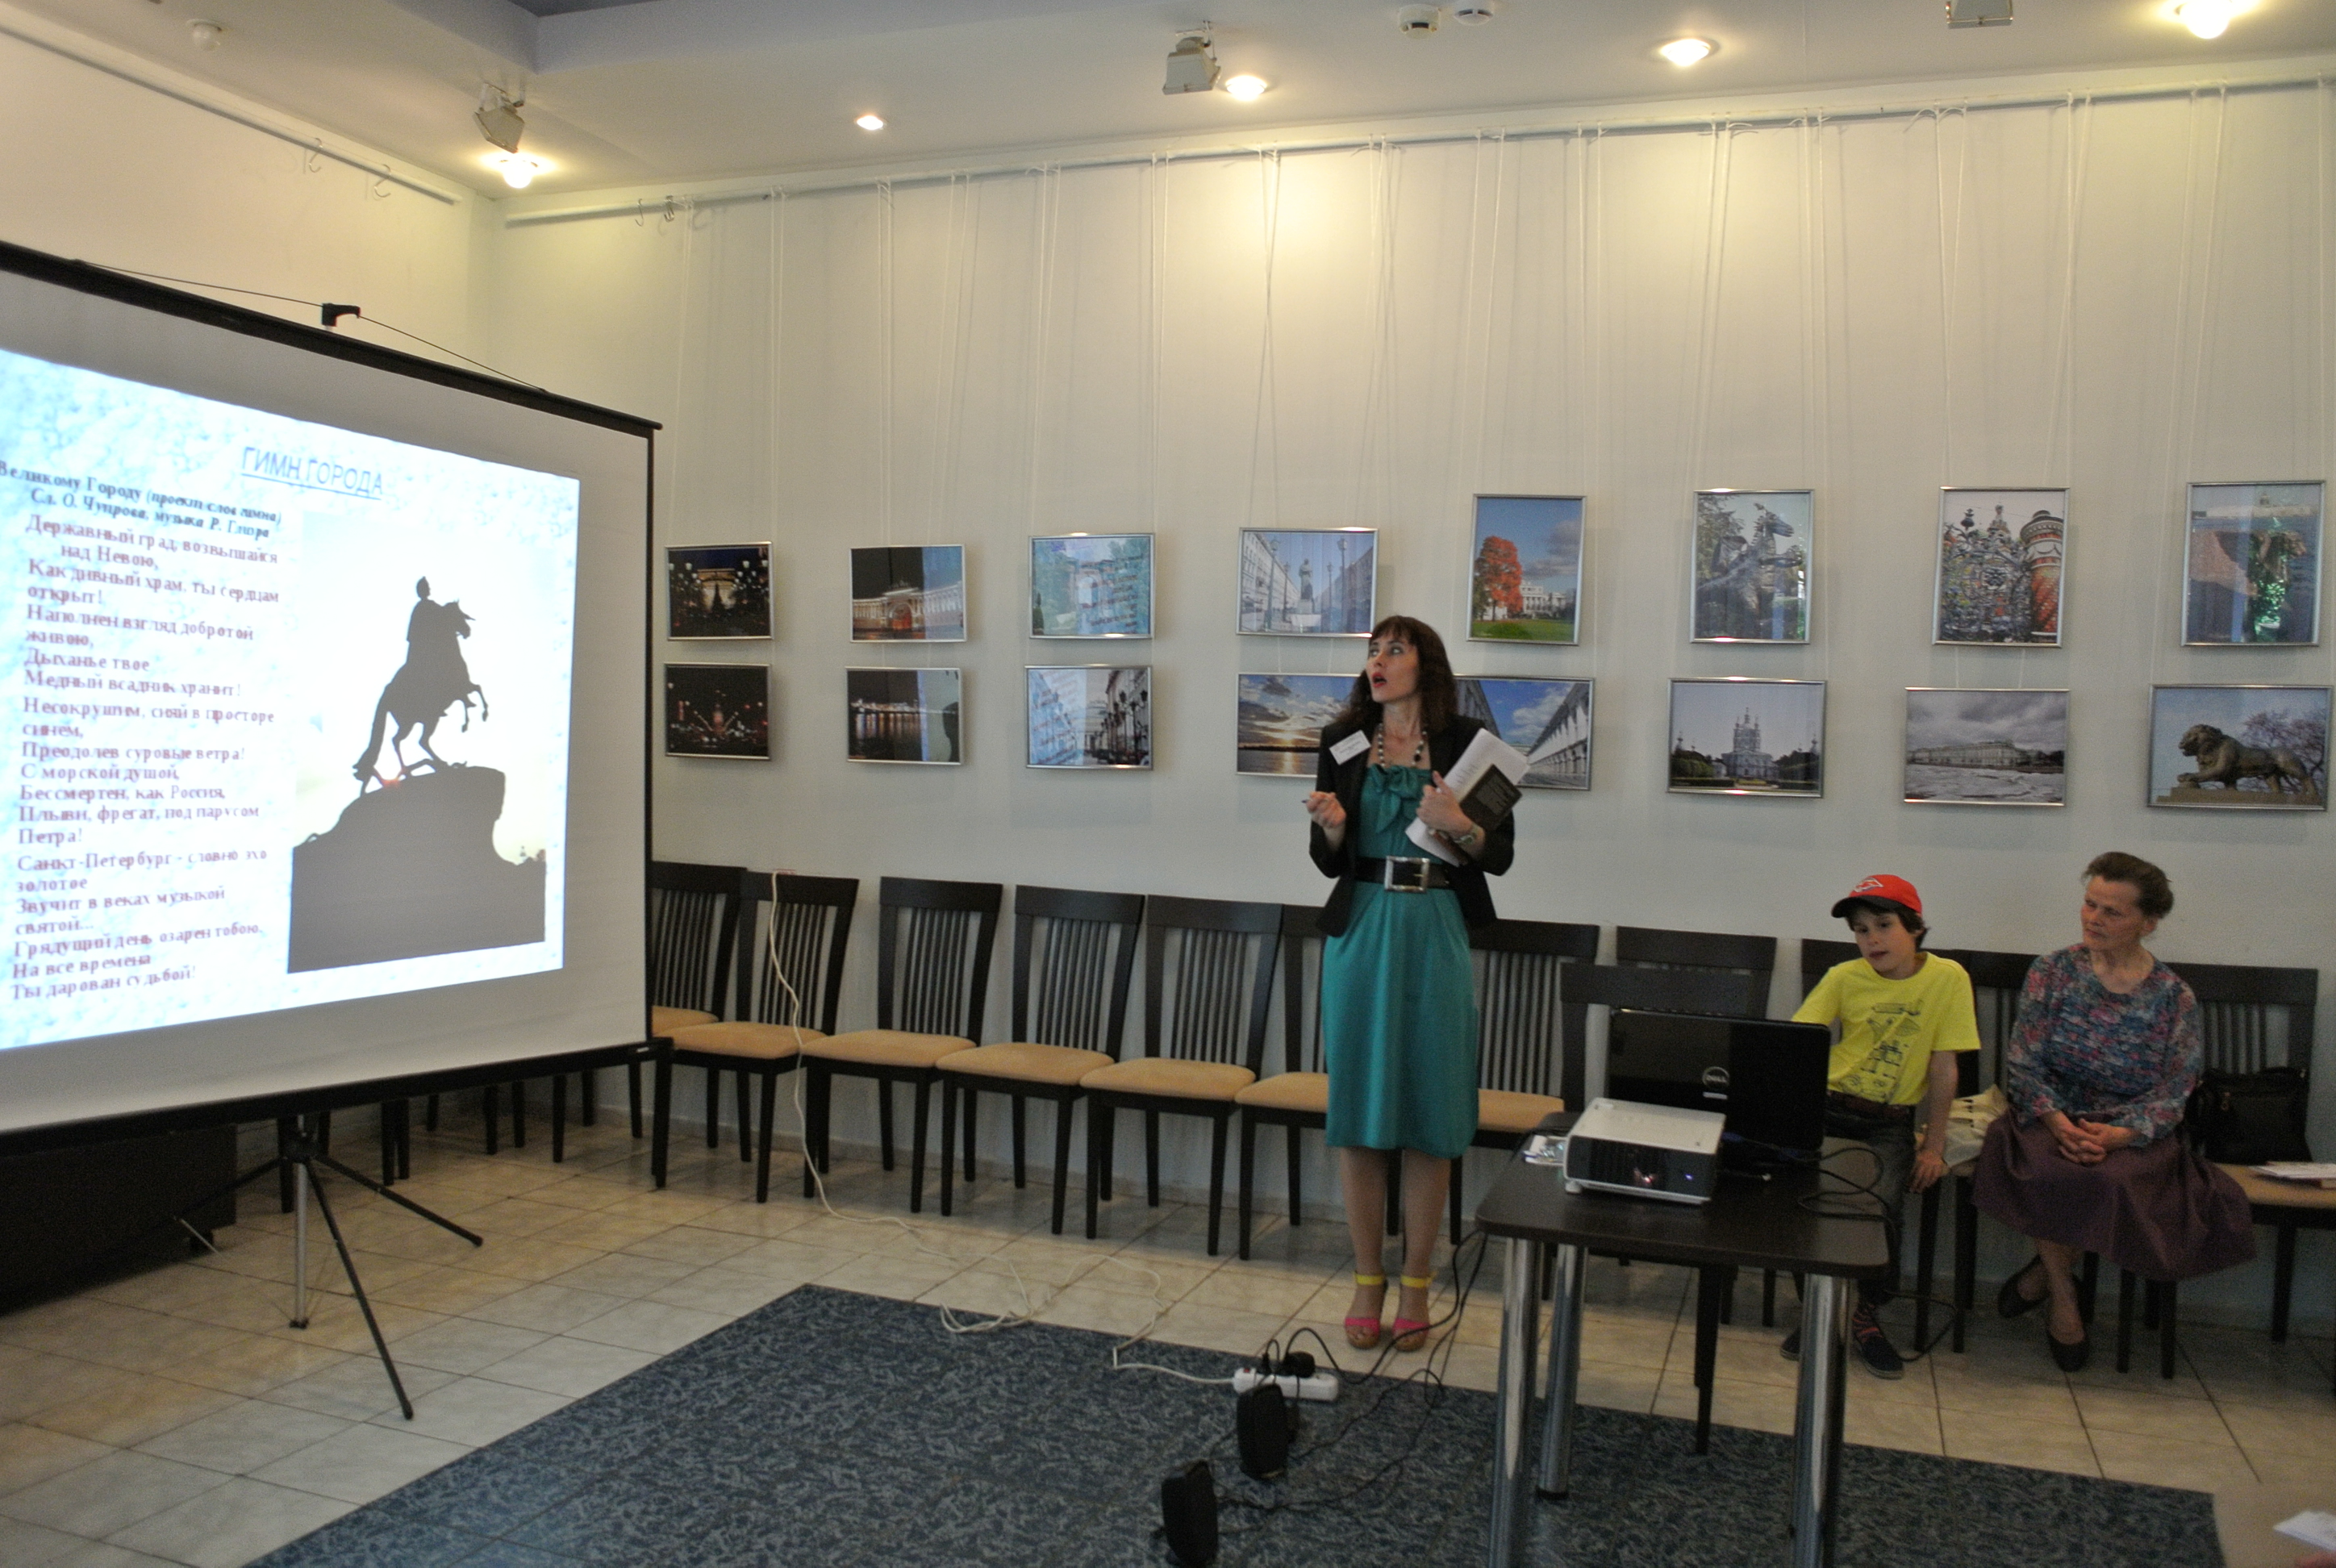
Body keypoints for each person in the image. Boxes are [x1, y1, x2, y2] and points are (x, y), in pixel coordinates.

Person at [1303, 616, 1514, 1353]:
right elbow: (1328, 859)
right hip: (1362, 929)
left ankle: (1418, 1283)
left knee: (1431, 1107)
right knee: (1361, 1108)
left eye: (1394, 649)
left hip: (1435, 927)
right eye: (1373, 650)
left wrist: (1459, 823)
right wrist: (1332, 826)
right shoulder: (1342, 741)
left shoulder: (1468, 745)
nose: (1378, 660)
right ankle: (1368, 1279)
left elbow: (1498, 854)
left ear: (1428, 665)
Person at [1973, 852, 2255, 1371]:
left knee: (2108, 1180)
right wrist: (2058, 1122)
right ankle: (2065, 1299)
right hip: (2050, 1116)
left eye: (2113, 911)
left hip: (2131, 1129)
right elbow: (2024, 1061)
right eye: (2090, 904)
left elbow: (2177, 1089)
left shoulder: (2173, 996)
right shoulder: (2052, 971)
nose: (2094, 919)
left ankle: (2040, 1277)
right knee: (2049, 1169)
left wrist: (2121, 1135)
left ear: (2149, 923)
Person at [1786, 874, 1979, 1378]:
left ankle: (1862, 1313)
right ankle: (1822, 1311)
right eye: (1861, 930)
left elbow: (1944, 1068)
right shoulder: (1843, 977)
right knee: (1801, 1200)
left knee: (1881, 1209)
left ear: (1914, 927)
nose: (1872, 939)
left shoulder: (1948, 978)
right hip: (1828, 1107)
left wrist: (1933, 1146)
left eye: (1884, 925)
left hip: (1887, 1122)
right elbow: (1800, 1044)